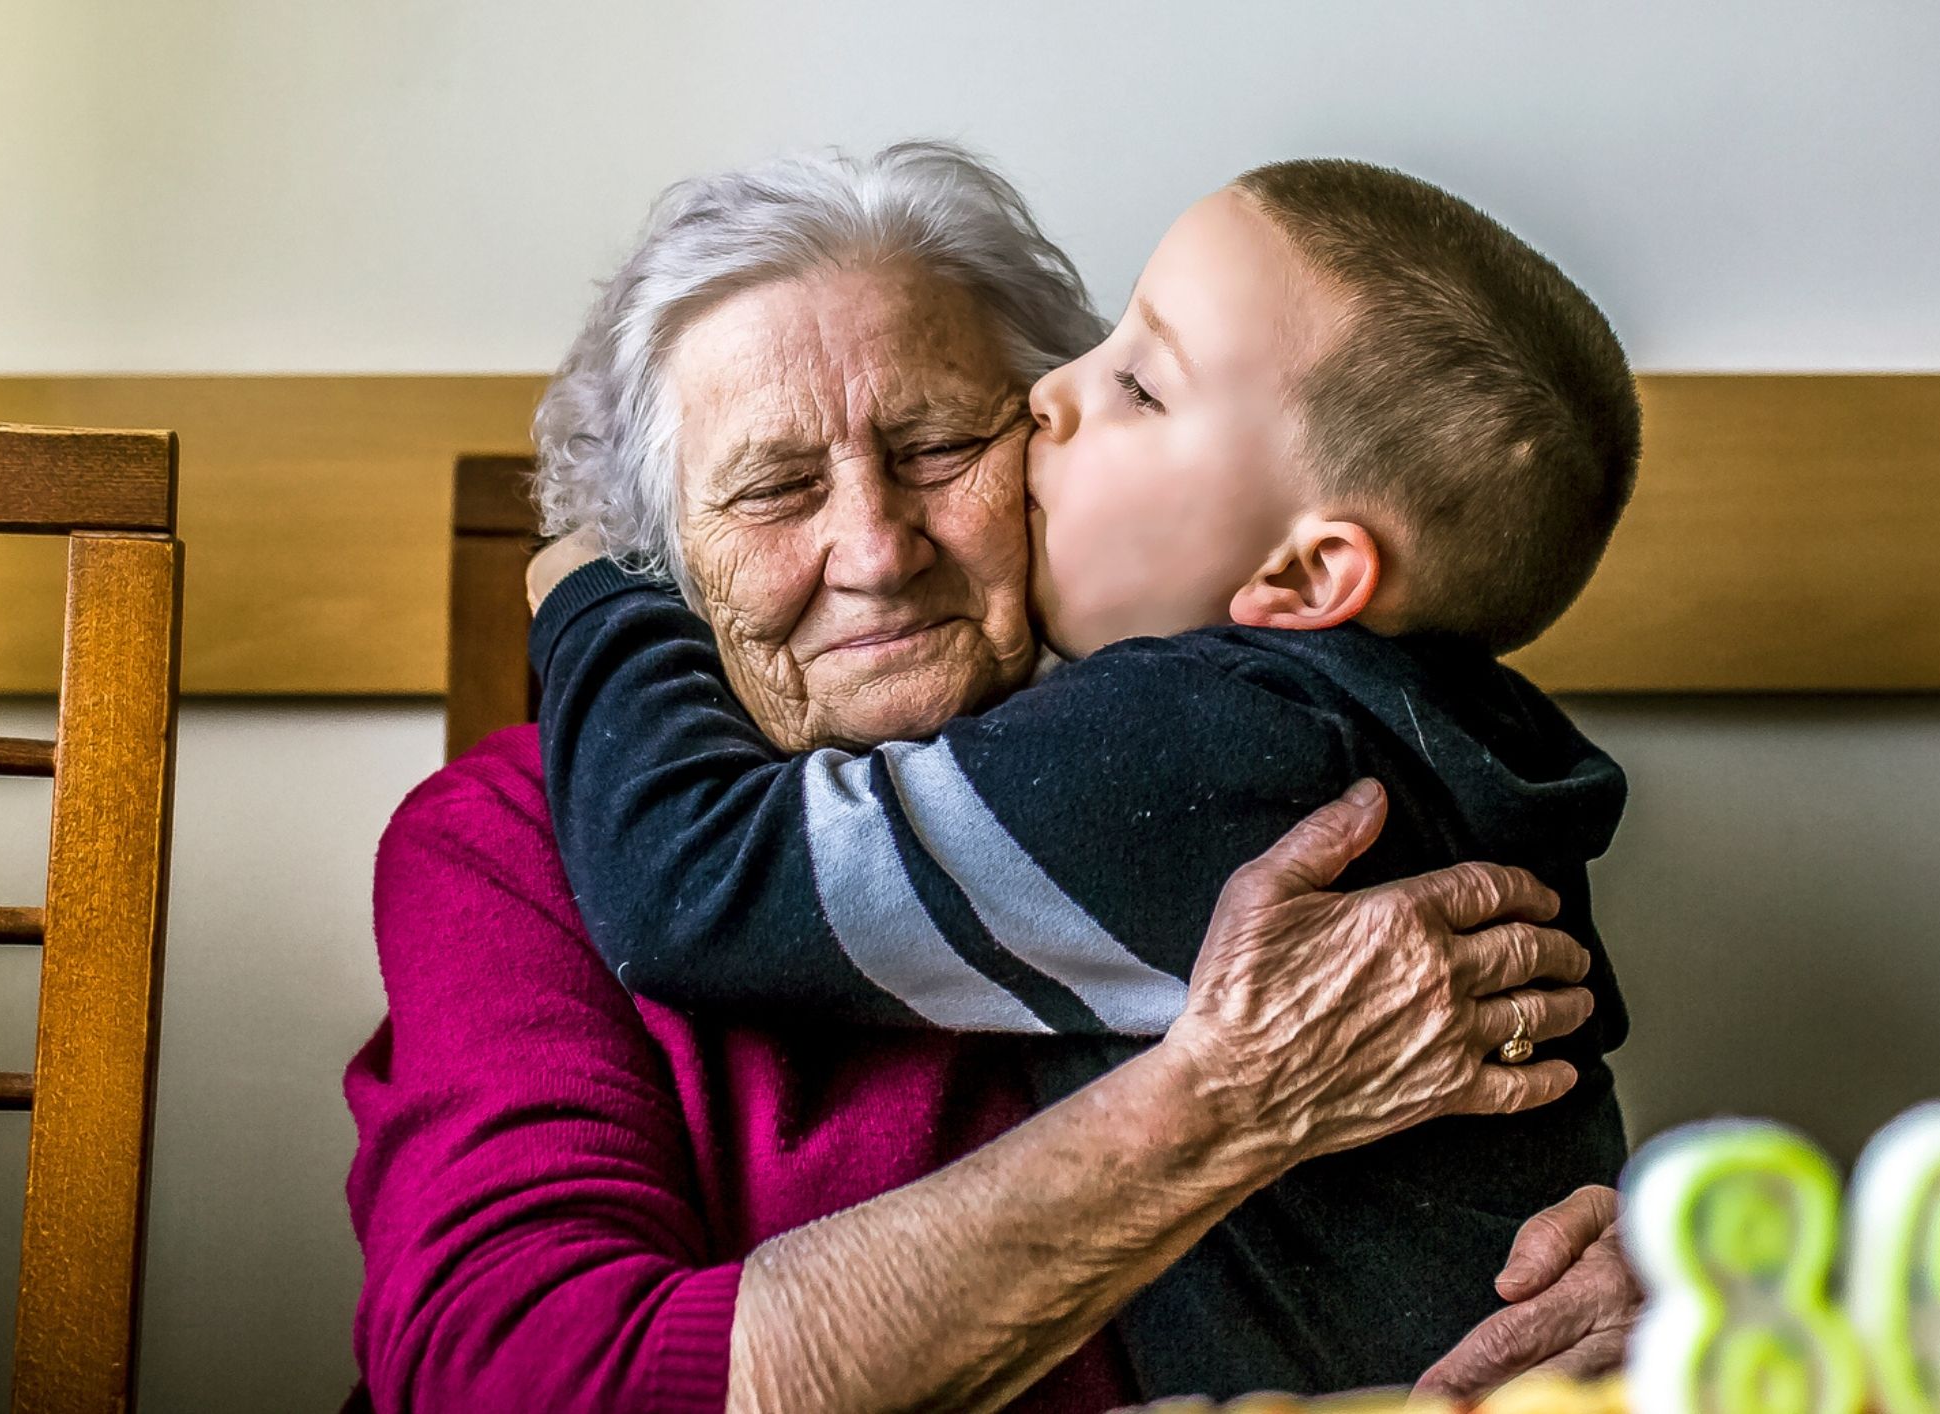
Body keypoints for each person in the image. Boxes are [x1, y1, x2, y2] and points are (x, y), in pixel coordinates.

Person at [345, 143, 1624, 1413]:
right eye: (775, 488)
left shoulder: (1176, 757)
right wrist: (1227, 1102)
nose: (876, 550)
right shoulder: (512, 849)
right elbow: (523, 1380)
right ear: (663, 565)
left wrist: (1653, 1267)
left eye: (941, 447)